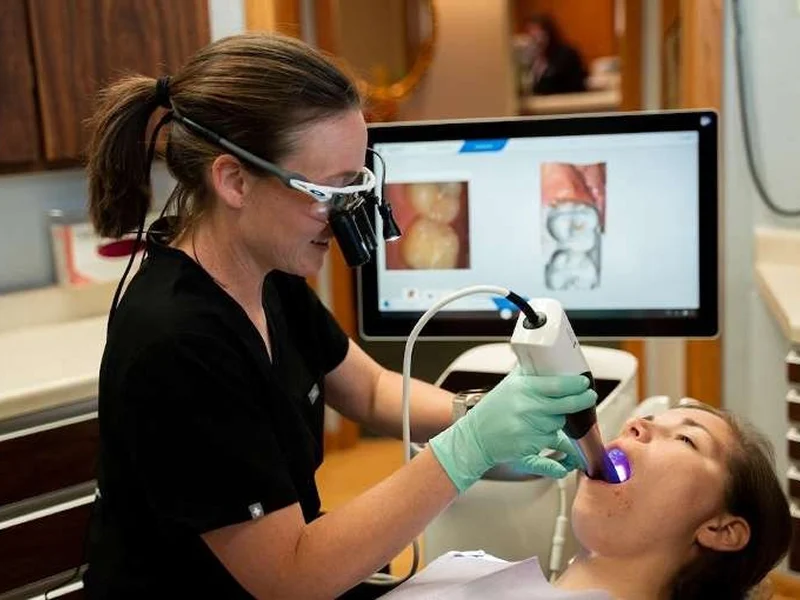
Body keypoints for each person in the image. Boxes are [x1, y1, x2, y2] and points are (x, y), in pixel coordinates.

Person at [81, 33, 598, 599]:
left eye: (357, 185)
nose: (346, 216)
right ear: (233, 181)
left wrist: (481, 415)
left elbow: (370, 391)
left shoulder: (268, 275)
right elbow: (291, 578)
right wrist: (469, 447)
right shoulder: (178, 342)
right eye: (327, 191)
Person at [385, 402, 792, 599]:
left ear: (721, 529)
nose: (636, 424)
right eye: (650, 420)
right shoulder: (470, 570)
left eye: (687, 439)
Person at [524, 14, 588, 95]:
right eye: (529, 31)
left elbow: (576, 84)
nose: (533, 35)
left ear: (548, 32)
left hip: (565, 99)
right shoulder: (532, 58)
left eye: (537, 30)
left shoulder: (567, 54)